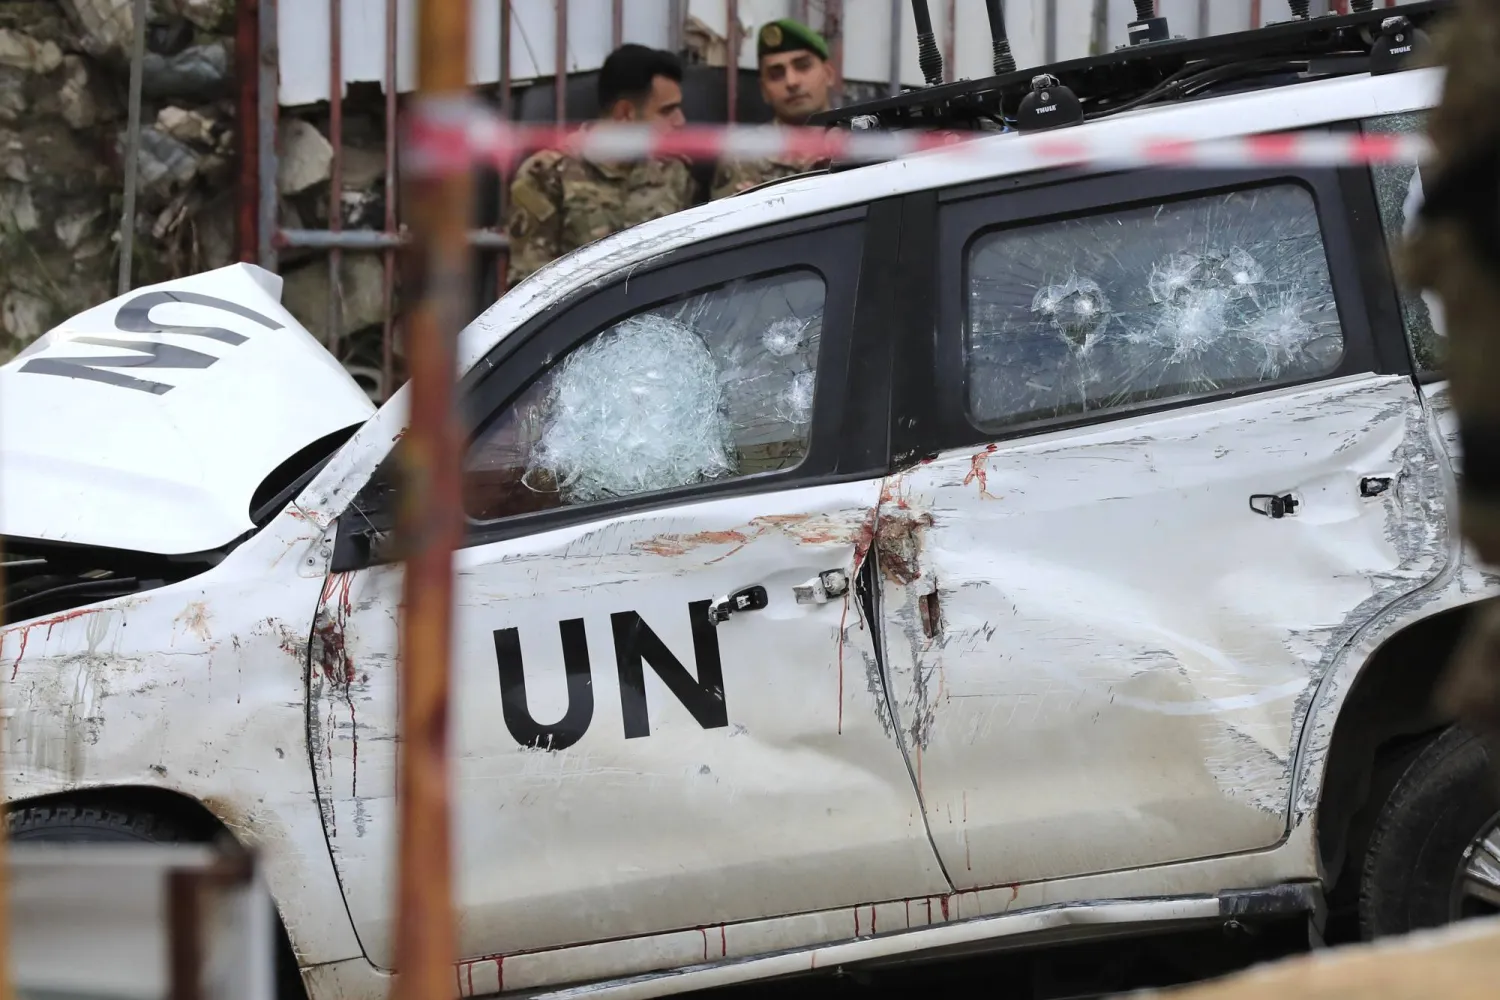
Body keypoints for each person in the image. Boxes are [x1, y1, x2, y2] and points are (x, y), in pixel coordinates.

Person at [506, 44, 695, 286]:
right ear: (625, 113)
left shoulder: (674, 172)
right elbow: (529, 288)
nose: (680, 121)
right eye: (667, 111)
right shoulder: (547, 175)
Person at [712, 19, 835, 200]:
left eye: (803, 66)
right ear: (764, 90)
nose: (791, 82)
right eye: (776, 74)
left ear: (829, 74)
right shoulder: (741, 157)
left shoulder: (862, 142)